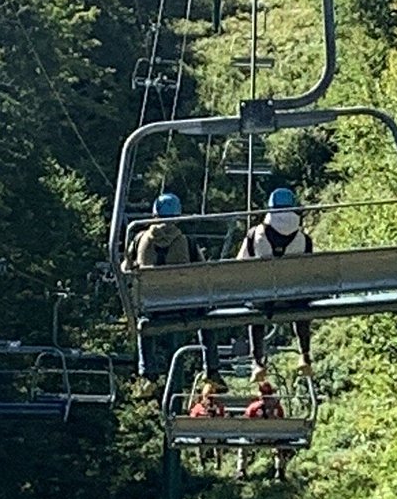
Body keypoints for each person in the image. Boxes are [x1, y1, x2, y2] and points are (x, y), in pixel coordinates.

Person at [125, 192, 225, 387]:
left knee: (143, 324)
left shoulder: (138, 239)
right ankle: (212, 370)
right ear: (178, 216)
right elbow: (202, 270)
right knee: (208, 316)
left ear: (154, 215)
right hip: (182, 306)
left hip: (153, 309)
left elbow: (126, 268)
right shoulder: (187, 241)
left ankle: (148, 374)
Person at [238, 186, 313, 382]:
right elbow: (310, 271)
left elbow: (240, 265)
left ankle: (257, 363)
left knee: (255, 315)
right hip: (294, 298)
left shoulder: (255, 234)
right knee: (302, 307)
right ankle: (304, 355)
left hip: (264, 300)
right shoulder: (303, 239)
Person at [236, 379, 290, 482]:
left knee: (242, 445)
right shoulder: (277, 407)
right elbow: (282, 422)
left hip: (255, 438)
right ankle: (280, 471)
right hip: (273, 439)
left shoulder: (253, 407)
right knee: (279, 446)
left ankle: (241, 470)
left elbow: (245, 422)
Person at [188, 378, 226, 468]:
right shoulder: (219, 406)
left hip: (203, 436)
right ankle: (218, 462)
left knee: (200, 441)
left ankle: (202, 462)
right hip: (217, 436)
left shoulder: (198, 407)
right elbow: (223, 418)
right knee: (218, 436)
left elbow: (192, 419)